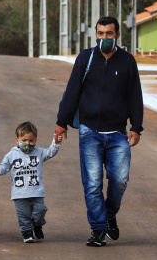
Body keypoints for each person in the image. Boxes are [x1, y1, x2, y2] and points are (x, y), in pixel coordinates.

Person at [54, 16, 144, 247]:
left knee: (120, 180)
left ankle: (109, 213)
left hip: (117, 133)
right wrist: (62, 121)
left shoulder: (126, 61)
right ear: (96, 35)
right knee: (92, 184)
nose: (104, 38)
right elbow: (72, 91)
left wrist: (136, 127)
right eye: (101, 34)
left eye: (109, 34)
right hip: (89, 132)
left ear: (117, 36)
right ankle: (97, 229)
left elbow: (135, 96)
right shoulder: (86, 58)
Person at [0, 121, 62, 243]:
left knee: (40, 210)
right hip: (19, 193)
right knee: (23, 215)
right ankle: (27, 233)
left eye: (31, 141)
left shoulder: (39, 153)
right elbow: (4, 167)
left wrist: (56, 142)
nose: (27, 143)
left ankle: (37, 225)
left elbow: (50, 152)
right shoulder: (12, 155)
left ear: (35, 140)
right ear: (17, 140)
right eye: (24, 140)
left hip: (37, 191)